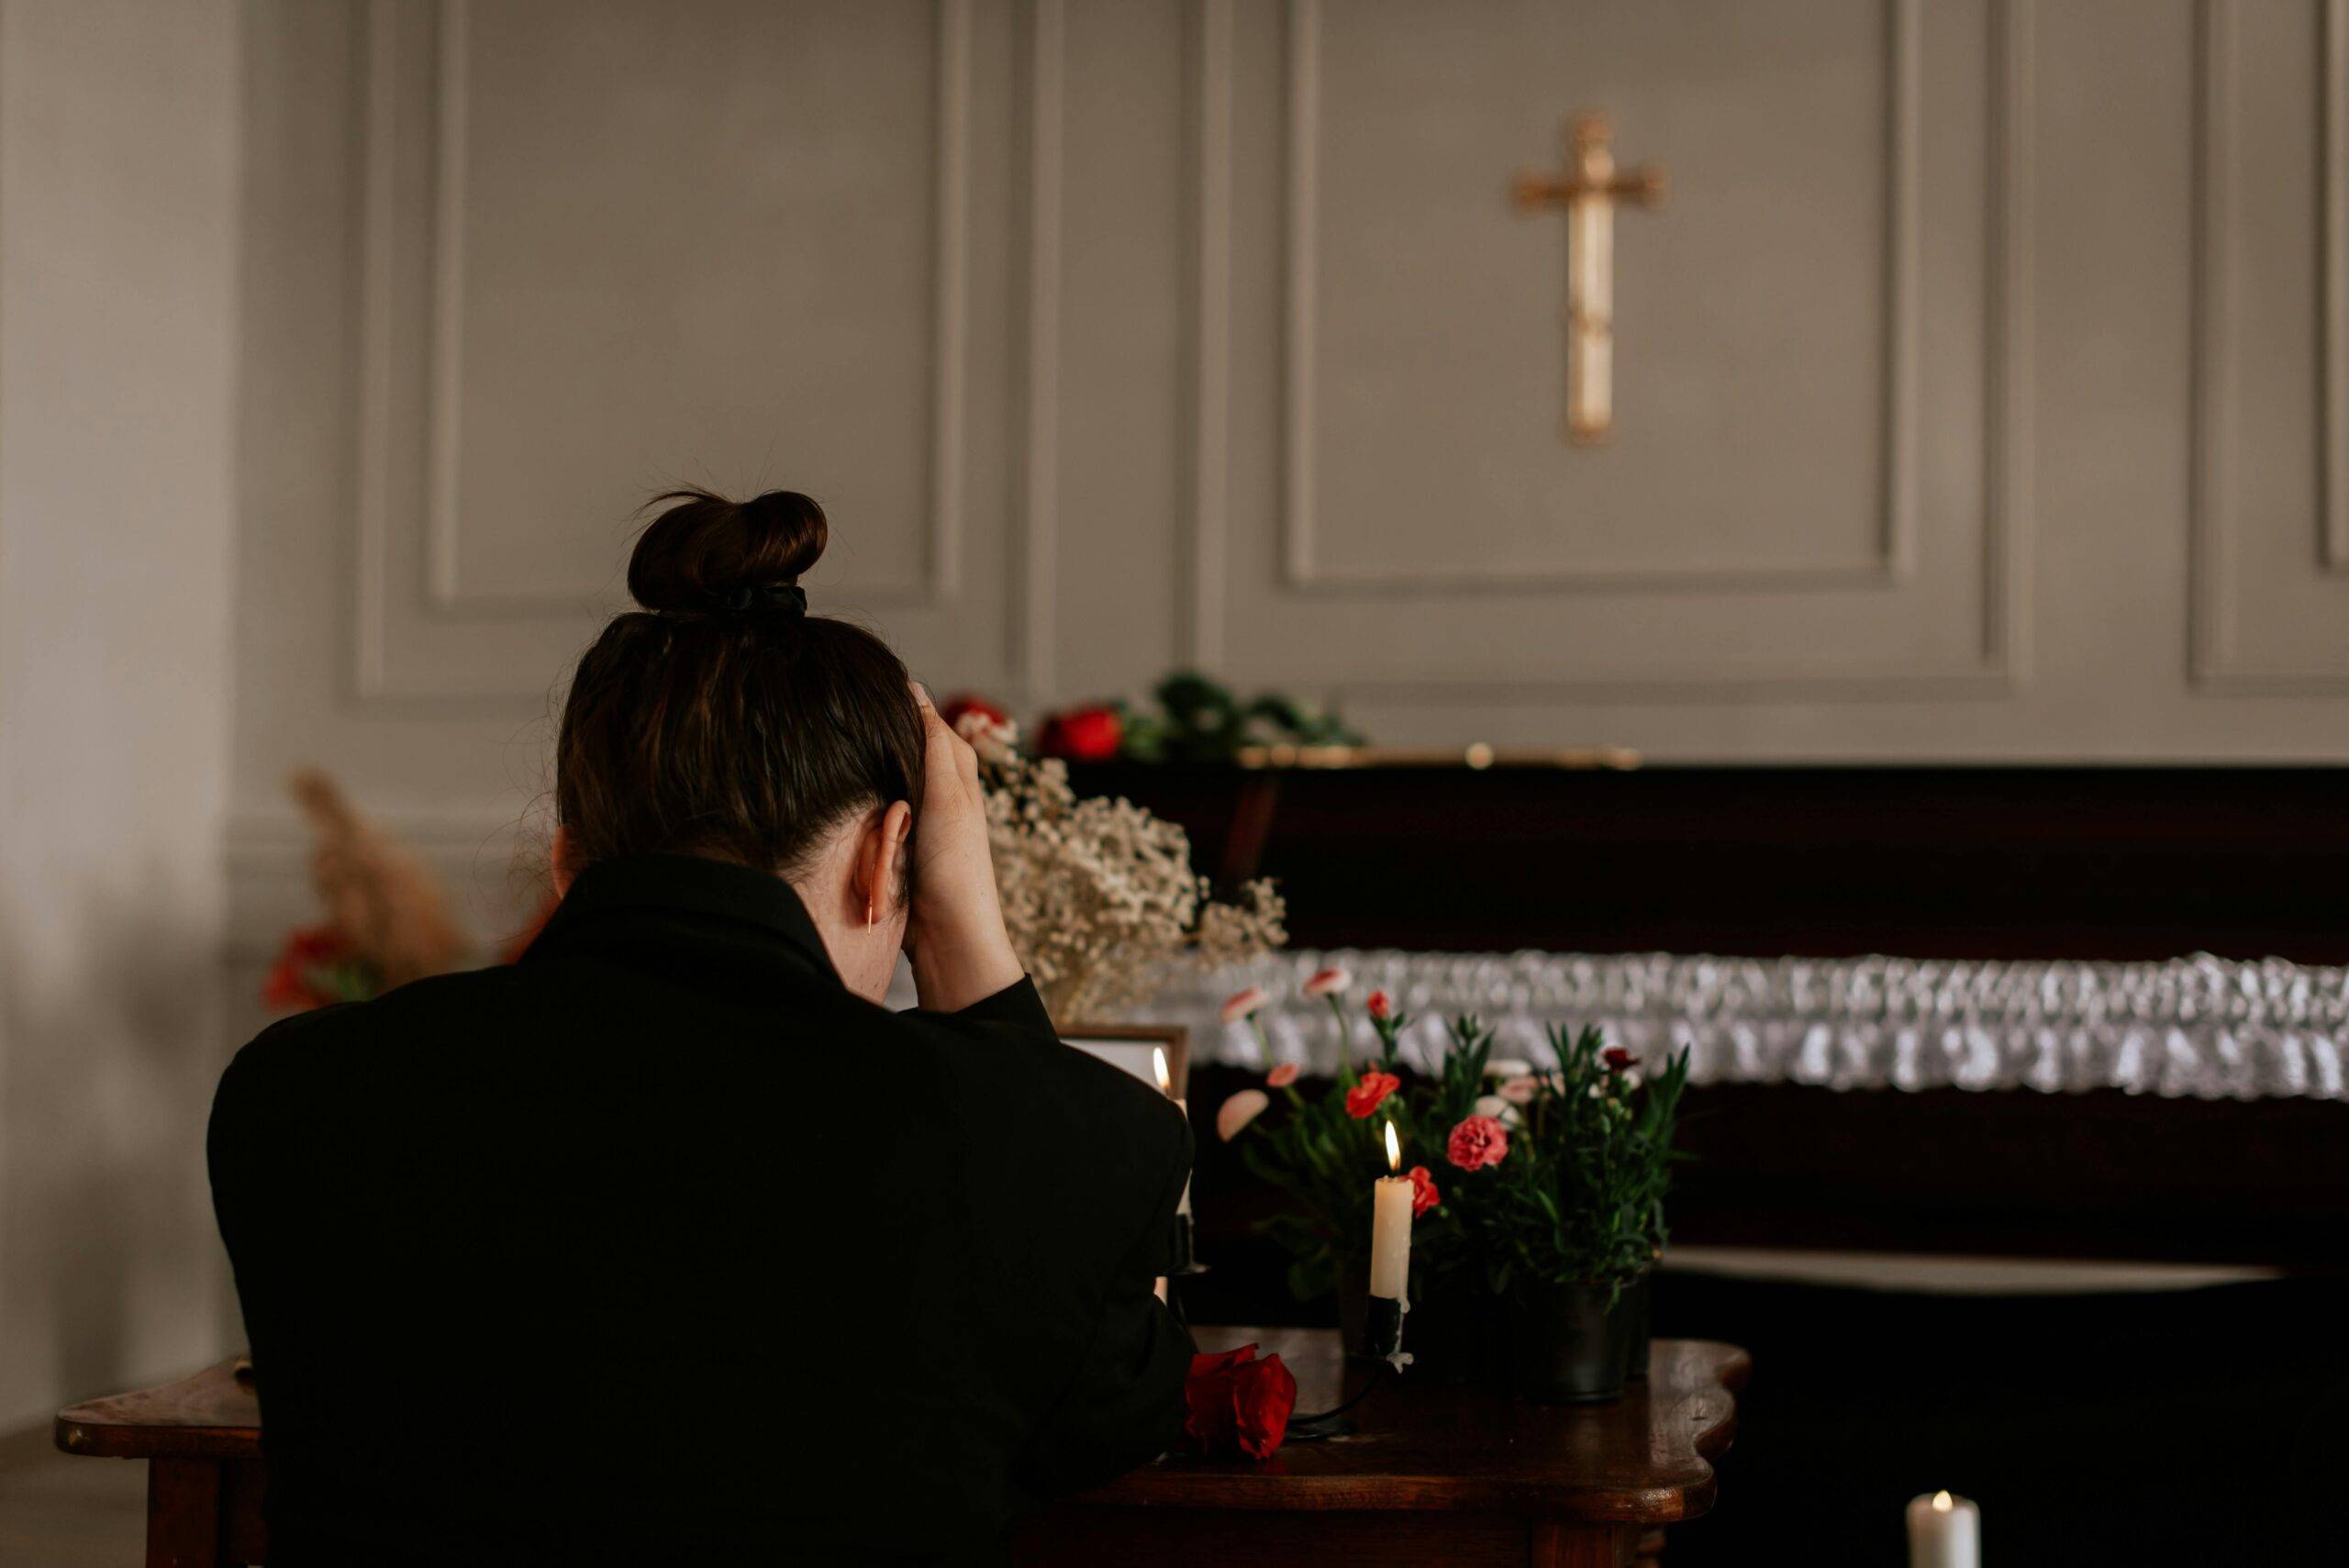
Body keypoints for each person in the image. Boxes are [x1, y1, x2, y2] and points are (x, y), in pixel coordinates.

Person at [208, 489, 1195, 1564]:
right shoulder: (1053, 1140)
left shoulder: (296, 1095)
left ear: (566, 852)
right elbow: (1111, 1416)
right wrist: (968, 943)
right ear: (890, 857)